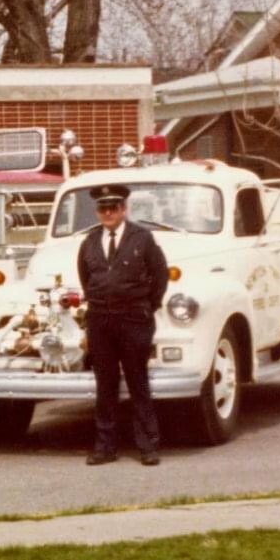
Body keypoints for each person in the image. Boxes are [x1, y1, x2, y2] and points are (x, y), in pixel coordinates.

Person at [79, 183, 170, 467]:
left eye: (113, 207)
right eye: (103, 208)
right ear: (97, 212)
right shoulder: (90, 241)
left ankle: (148, 446)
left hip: (133, 319)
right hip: (101, 321)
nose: (108, 212)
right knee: (104, 385)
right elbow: (86, 278)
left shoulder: (142, 238)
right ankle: (105, 446)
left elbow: (160, 277)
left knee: (137, 382)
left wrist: (145, 307)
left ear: (124, 209)